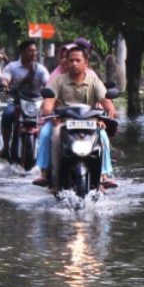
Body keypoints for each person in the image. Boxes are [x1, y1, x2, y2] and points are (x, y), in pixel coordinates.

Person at [34, 44, 118, 189]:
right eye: (71, 60)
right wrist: (50, 113)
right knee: (46, 133)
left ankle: (104, 175)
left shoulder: (93, 81)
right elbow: (48, 104)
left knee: (103, 137)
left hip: (90, 122)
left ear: (86, 63)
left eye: (78, 60)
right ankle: (45, 172)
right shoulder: (58, 80)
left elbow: (106, 101)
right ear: (66, 61)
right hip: (61, 122)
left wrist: (109, 112)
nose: (74, 63)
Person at [0, 39, 49, 158]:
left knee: (50, 120)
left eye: (35, 51)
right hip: (17, 102)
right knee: (7, 114)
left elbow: (48, 83)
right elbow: (5, 80)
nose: (34, 53)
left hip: (36, 104)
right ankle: (5, 148)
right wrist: (5, 86)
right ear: (22, 52)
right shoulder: (12, 67)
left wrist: (49, 91)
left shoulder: (41, 69)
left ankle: (47, 154)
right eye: (30, 51)